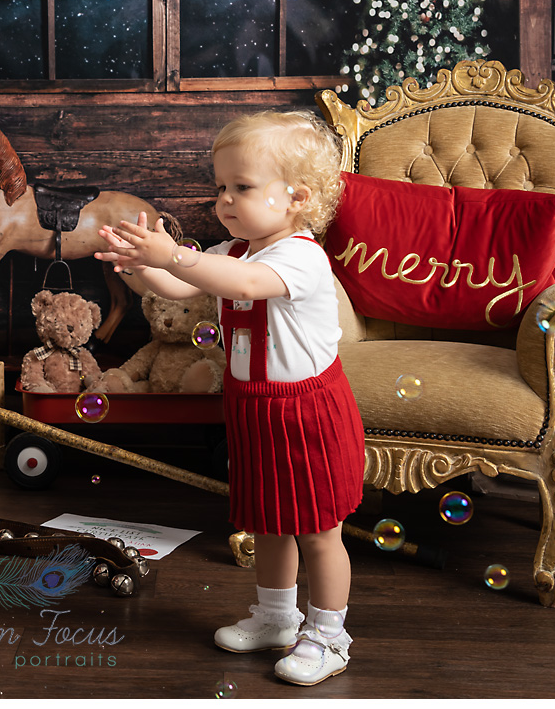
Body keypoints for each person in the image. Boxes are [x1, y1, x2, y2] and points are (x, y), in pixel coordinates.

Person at [95, 109, 364, 686]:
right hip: (253, 409)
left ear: (297, 197)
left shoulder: (300, 257)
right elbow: (186, 284)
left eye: (241, 187)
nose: (225, 200)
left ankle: (329, 634)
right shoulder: (236, 251)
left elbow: (240, 288)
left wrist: (175, 255)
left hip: (305, 413)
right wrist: (143, 266)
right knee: (268, 520)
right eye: (220, 187)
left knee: (318, 530)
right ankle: (275, 616)